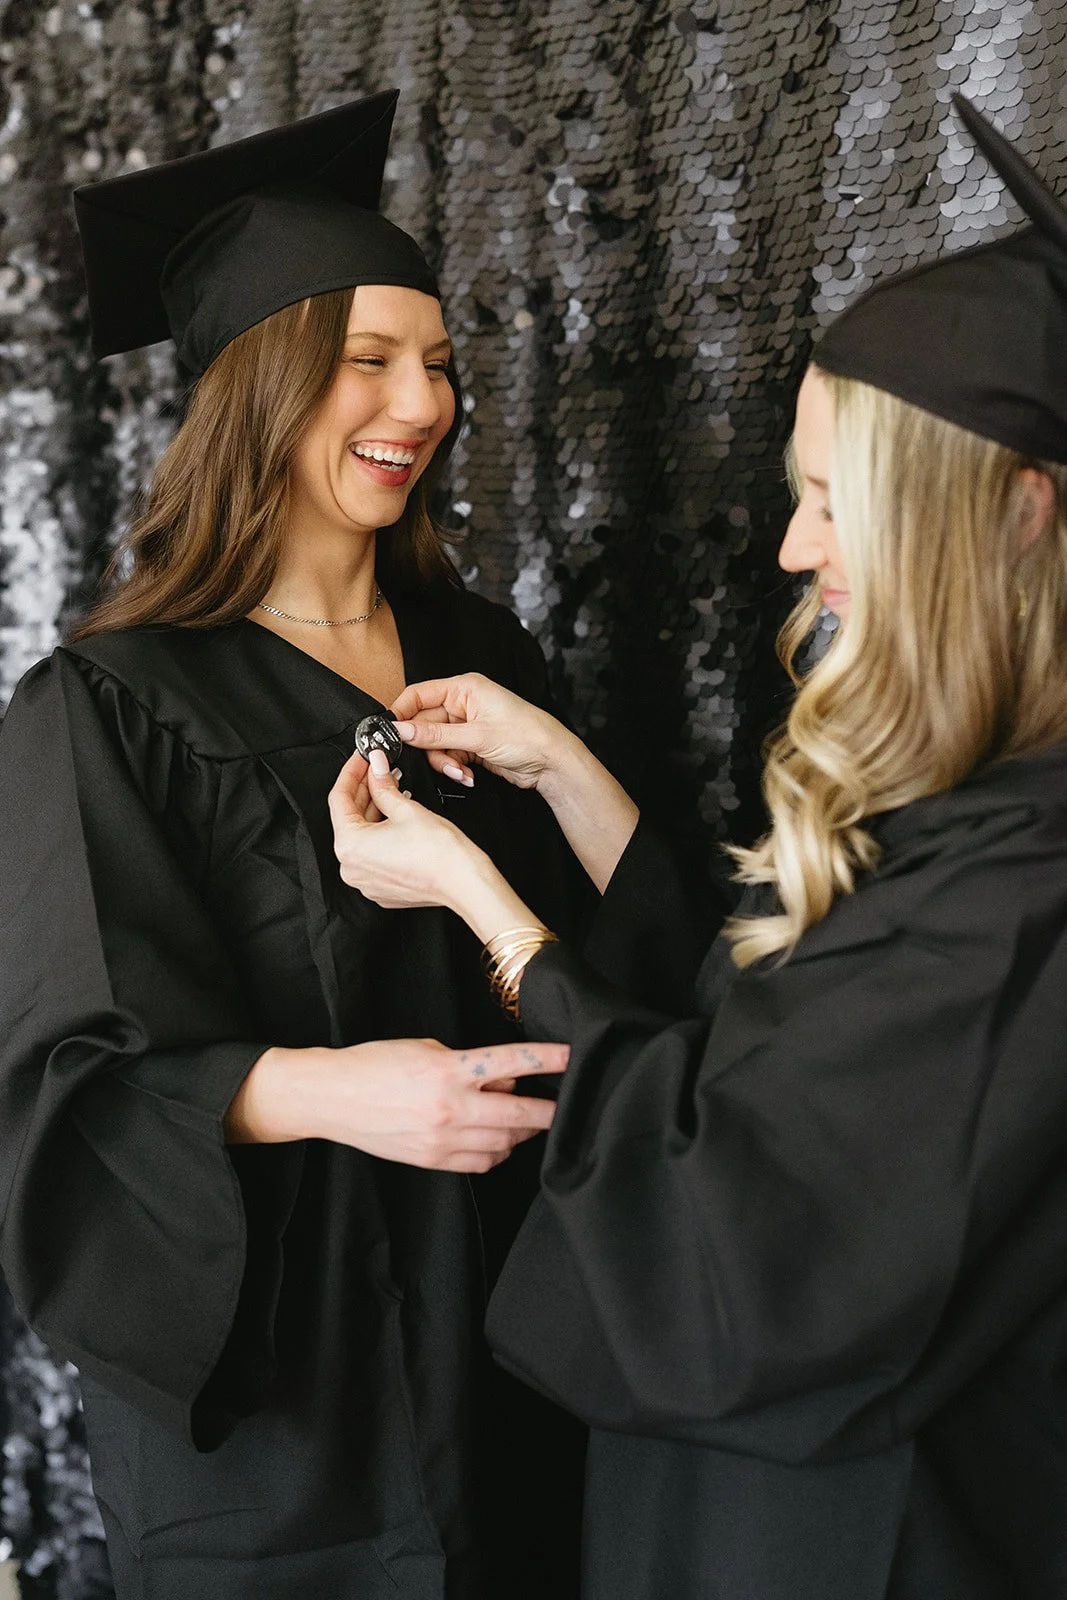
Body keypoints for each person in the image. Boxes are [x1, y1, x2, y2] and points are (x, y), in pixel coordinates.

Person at [327, 96, 1067, 1599]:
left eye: (827, 500)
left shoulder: (1029, 878)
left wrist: (487, 907)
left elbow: (731, 1217)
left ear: (1011, 516)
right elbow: (765, 1019)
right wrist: (567, 774)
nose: (791, 552)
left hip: (880, 1537)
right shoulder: (984, 797)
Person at [0, 91, 587, 1600]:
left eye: (439, 365)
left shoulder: (486, 659)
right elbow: (65, 1077)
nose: (418, 405)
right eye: (363, 362)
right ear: (252, 388)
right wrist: (340, 1092)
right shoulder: (109, 705)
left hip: (524, 1319)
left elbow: (618, 953)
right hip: (284, 1377)